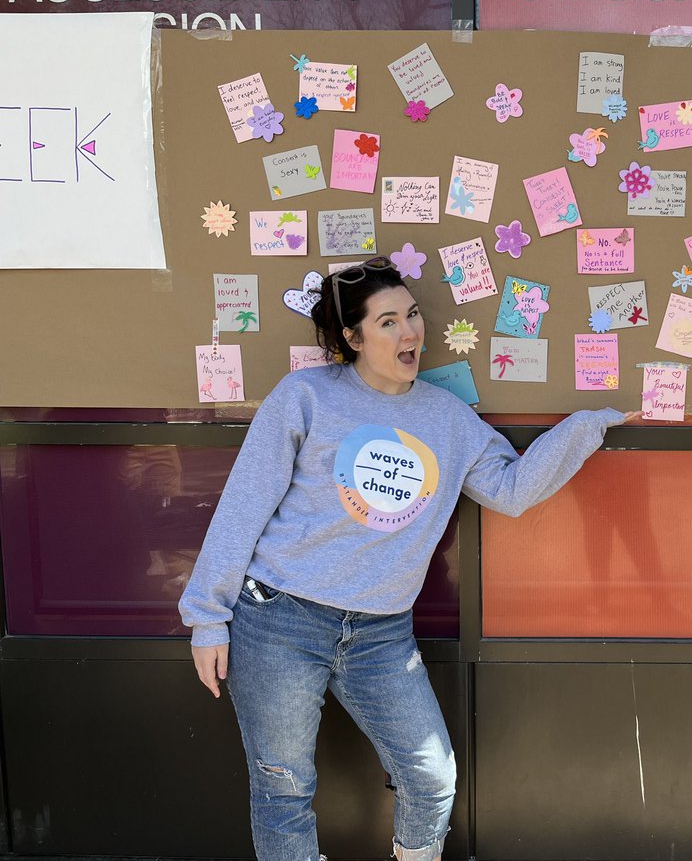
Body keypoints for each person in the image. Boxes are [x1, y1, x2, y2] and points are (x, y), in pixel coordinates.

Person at [179, 257, 637, 861]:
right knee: (283, 789)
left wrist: (585, 427)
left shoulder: (447, 419)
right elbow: (244, 504)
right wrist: (207, 617)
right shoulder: (306, 396)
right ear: (353, 337)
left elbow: (511, 489)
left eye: (413, 316)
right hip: (280, 619)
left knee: (432, 778)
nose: (410, 333)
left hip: (381, 633)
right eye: (389, 321)